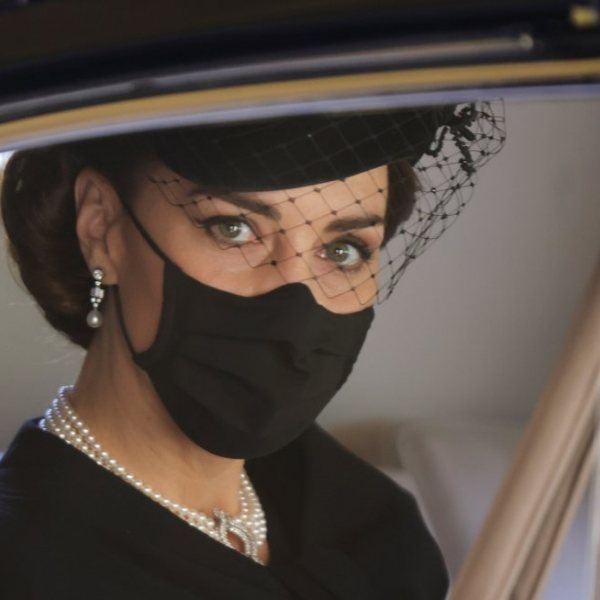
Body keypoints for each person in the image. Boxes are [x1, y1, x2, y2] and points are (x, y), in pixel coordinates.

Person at [0, 105, 504, 599]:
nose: (294, 308)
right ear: (101, 226)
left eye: (343, 249)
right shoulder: (23, 563)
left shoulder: (374, 526)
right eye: (234, 228)